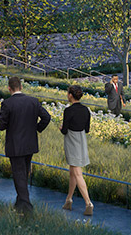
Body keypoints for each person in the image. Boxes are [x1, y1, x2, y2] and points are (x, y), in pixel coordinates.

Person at [0, 77, 50, 215]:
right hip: (30, 144)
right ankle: (20, 202)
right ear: (21, 87)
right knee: (24, 173)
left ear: (9, 88)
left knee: (19, 174)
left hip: (15, 145)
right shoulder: (33, 101)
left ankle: (26, 206)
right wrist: (37, 128)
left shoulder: (7, 104)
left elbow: (1, 126)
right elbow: (46, 117)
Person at [60, 85, 93, 216]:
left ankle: (88, 203)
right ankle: (68, 200)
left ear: (70, 95)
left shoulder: (68, 111)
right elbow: (87, 129)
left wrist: (61, 127)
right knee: (73, 172)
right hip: (81, 140)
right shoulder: (86, 110)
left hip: (72, 141)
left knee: (77, 173)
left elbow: (64, 131)